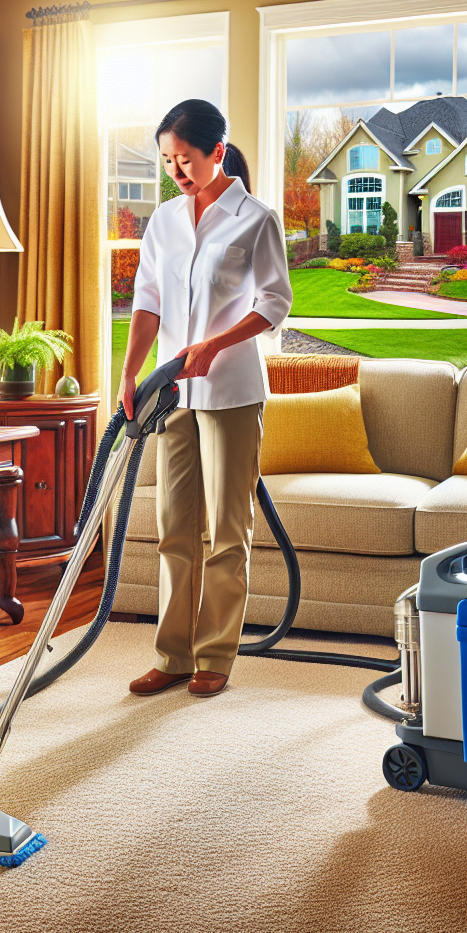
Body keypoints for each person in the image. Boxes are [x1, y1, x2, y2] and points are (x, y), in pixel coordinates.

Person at [119, 99, 292, 698]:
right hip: (172, 391)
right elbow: (147, 302)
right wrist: (129, 372)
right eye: (168, 161)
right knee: (174, 525)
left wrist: (216, 344)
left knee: (226, 526)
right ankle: (171, 655)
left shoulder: (255, 219)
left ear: (217, 151)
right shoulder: (163, 221)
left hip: (232, 389)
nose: (177, 171)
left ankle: (214, 654)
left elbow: (273, 304)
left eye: (185, 159)